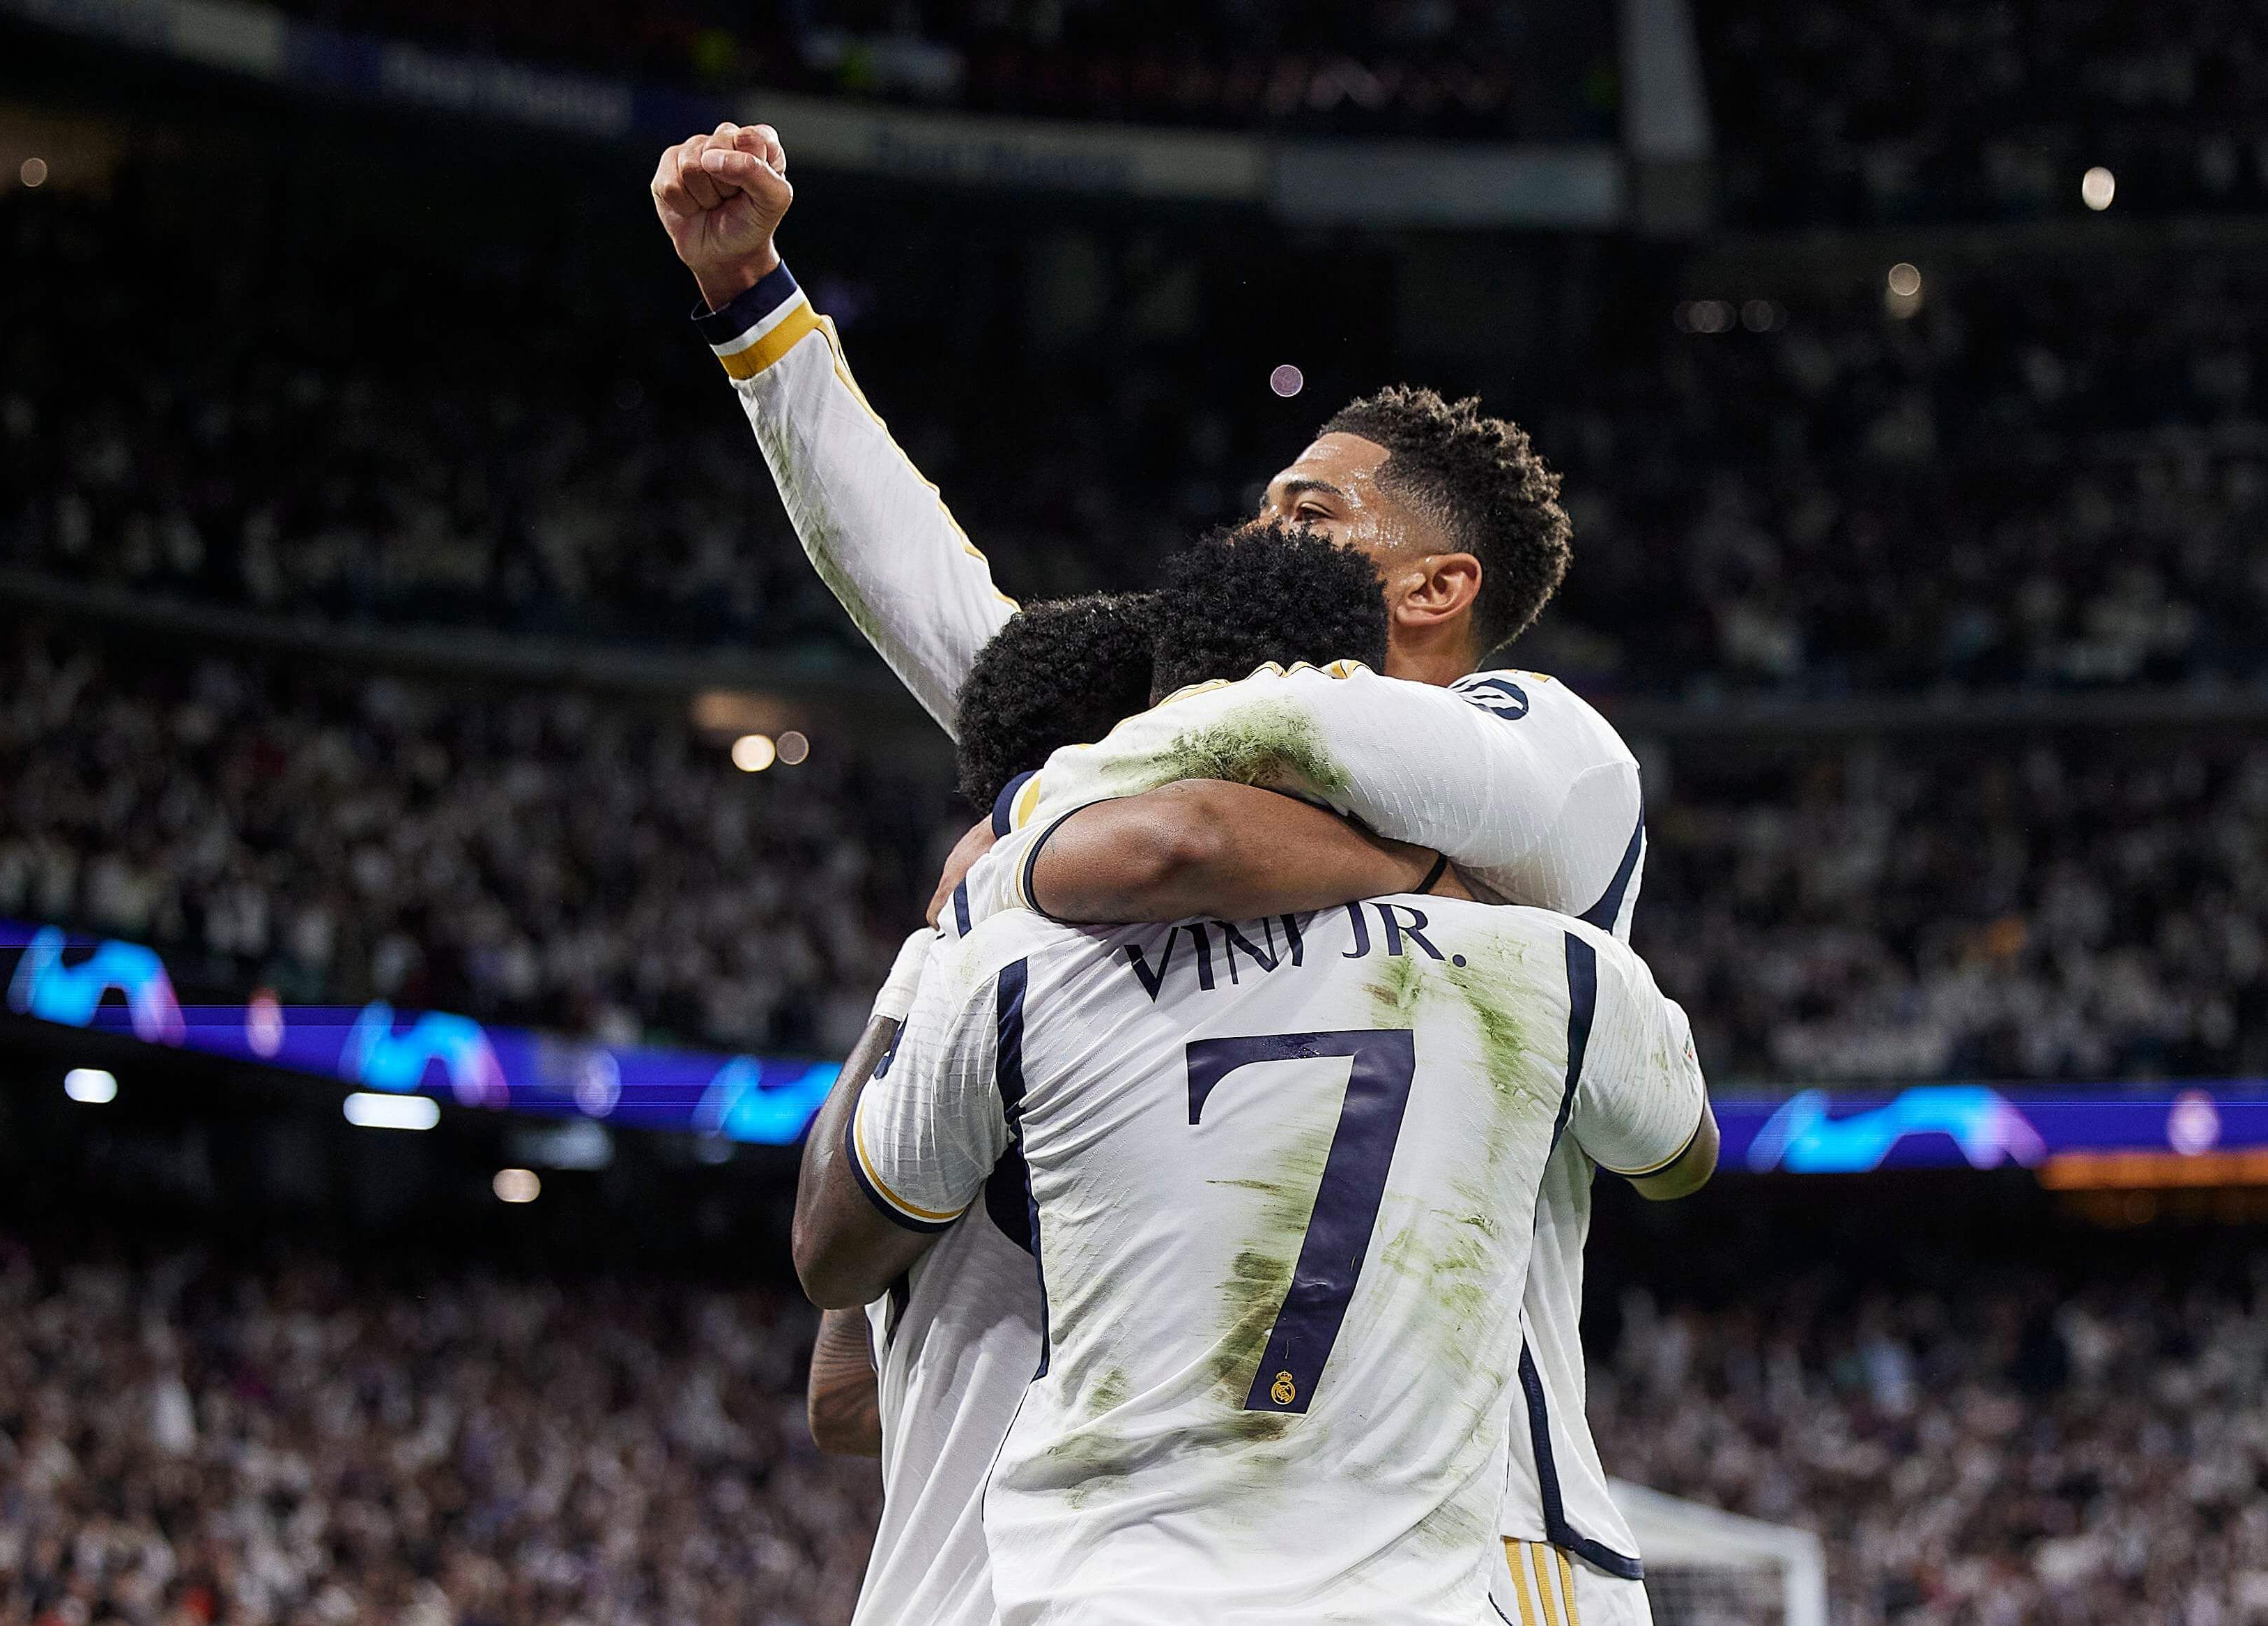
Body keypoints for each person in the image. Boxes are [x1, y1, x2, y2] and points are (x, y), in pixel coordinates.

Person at [657, 121, 1710, 1622]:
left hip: (1491, 1530)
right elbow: (954, 623)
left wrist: (1032, 823)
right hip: (1209, 1538)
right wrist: (760, 313)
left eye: (1308, 513)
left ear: (1438, 585)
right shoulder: (1158, 776)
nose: (1250, 530)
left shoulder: (1539, 740)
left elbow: (1200, 805)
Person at [794, 662, 1710, 1619]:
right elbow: (1684, 1152)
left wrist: (915, 975)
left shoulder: (990, 979)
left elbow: (841, 1371)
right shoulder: (1522, 964)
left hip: (1021, 1592)